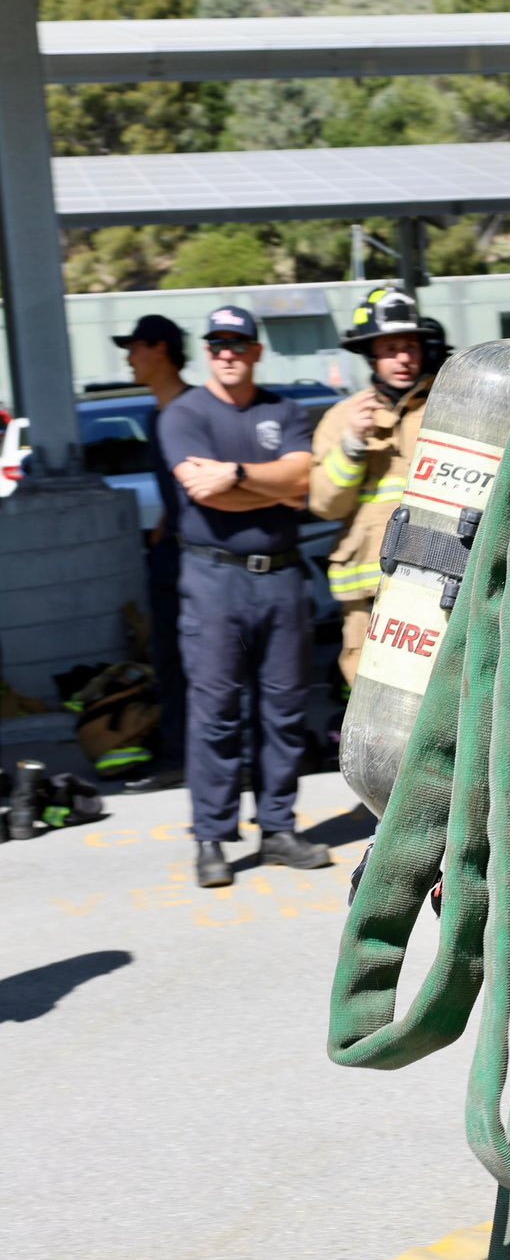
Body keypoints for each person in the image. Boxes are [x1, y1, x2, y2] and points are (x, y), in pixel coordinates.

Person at [158, 305, 332, 889]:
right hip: (214, 582)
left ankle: (279, 828)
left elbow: (303, 481)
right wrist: (268, 483)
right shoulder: (184, 414)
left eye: (238, 343)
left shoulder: (284, 411)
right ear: (207, 352)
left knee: (284, 710)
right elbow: (202, 493)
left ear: (257, 351)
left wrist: (234, 474)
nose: (227, 352)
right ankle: (212, 836)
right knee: (217, 713)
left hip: (280, 580)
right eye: (217, 343)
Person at [310, 285, 435, 690]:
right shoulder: (343, 418)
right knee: (369, 696)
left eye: (411, 346)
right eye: (391, 347)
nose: (403, 357)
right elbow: (325, 505)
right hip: (366, 595)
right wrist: (352, 443)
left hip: (436, 583)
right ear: (371, 354)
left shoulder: (450, 407)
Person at [113, 314, 189, 785]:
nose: (128, 358)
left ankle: (194, 758)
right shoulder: (155, 415)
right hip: (168, 557)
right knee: (167, 657)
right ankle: (178, 753)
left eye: (135, 347)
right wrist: (164, 524)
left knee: (203, 665)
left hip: (198, 562)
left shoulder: (196, 409)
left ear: (159, 349)